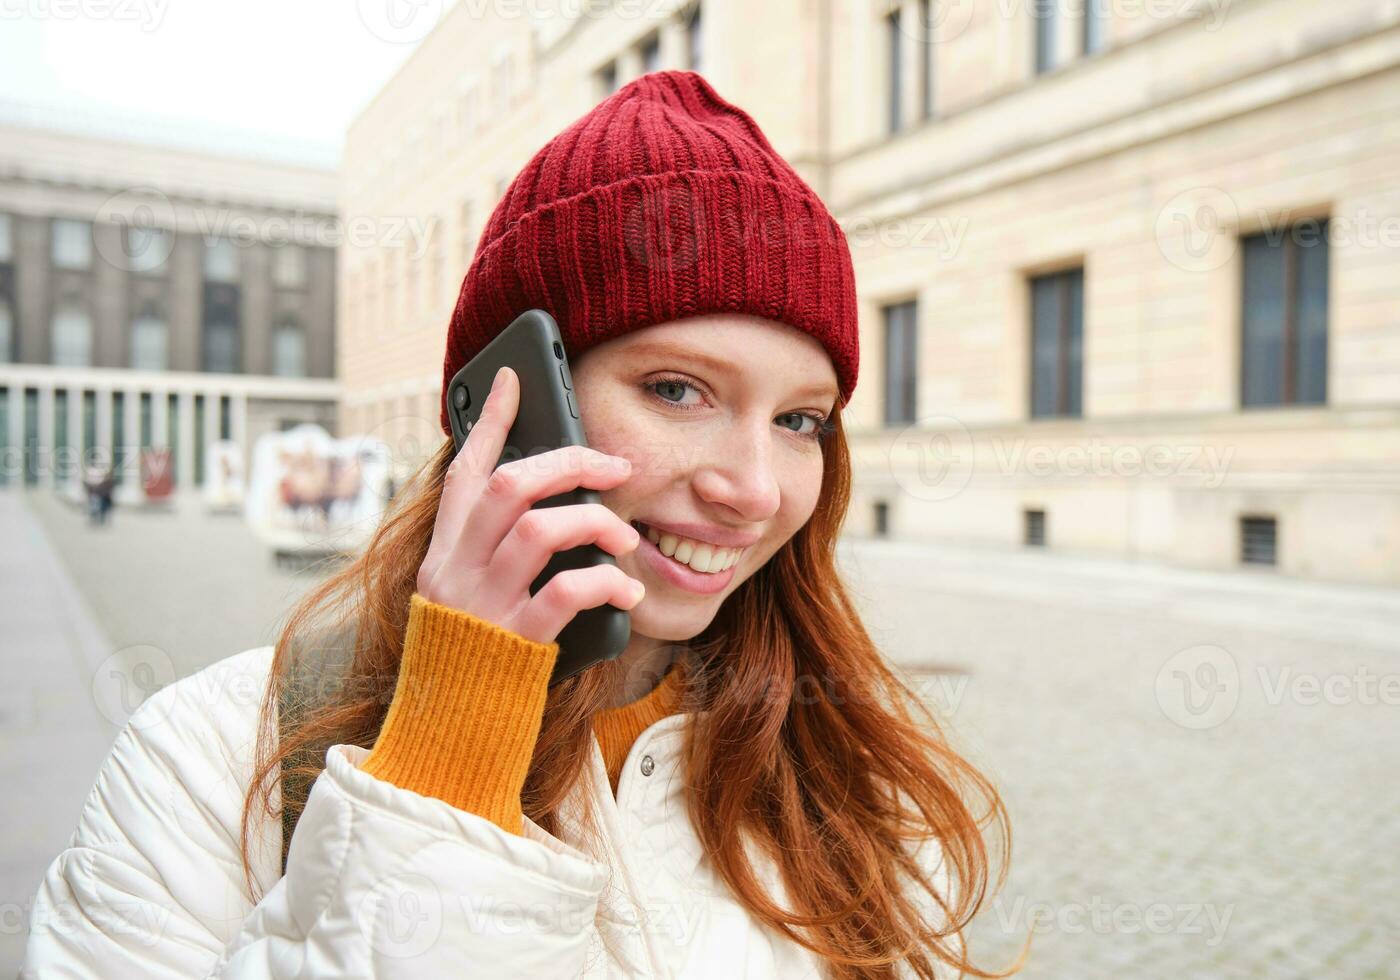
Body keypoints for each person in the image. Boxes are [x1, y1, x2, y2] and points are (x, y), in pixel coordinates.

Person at [22, 71, 1019, 978]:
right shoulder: (213, 756)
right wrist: (446, 762)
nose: (755, 489)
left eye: (799, 419)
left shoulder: (849, 771)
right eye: (677, 388)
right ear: (511, 402)